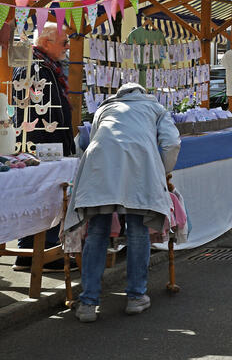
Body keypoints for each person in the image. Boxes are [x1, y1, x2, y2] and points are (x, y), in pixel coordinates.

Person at [62, 82, 180, 322]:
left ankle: (87, 303)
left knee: (97, 231)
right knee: (138, 231)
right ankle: (136, 297)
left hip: (100, 169)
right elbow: (172, 143)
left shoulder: (105, 108)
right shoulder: (155, 108)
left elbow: (94, 140)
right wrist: (161, 173)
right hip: (138, 170)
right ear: (142, 93)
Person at [13, 22, 73, 271]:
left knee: (39, 197)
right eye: (64, 42)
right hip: (43, 145)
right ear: (46, 42)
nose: (68, 47)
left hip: (46, 144)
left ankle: (28, 252)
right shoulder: (37, 67)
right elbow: (42, 114)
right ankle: (43, 253)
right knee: (46, 198)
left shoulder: (47, 66)